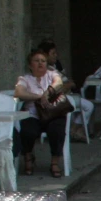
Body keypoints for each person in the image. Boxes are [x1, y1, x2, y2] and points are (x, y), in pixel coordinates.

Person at [14, 47, 73, 177]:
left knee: (57, 129)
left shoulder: (52, 75)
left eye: (43, 61)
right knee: (27, 131)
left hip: (52, 113)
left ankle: (55, 162)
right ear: (30, 65)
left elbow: (58, 83)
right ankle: (28, 157)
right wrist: (39, 97)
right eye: (37, 60)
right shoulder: (25, 79)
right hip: (33, 115)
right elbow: (19, 92)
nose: (40, 63)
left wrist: (48, 92)